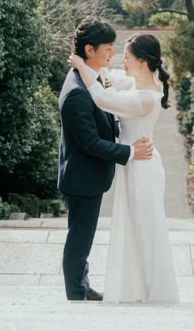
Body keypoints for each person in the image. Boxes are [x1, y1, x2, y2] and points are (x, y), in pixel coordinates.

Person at [68, 33, 180, 304]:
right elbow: (108, 77)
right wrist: (95, 64)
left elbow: (102, 98)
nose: (122, 61)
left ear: (141, 61)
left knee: (147, 229)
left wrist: (81, 65)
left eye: (127, 57)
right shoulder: (136, 82)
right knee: (133, 227)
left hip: (142, 169)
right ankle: (137, 289)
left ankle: (159, 292)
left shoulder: (146, 97)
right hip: (134, 164)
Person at [57, 17, 154, 301]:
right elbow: (89, 143)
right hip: (81, 176)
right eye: (108, 48)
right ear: (90, 50)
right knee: (79, 240)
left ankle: (82, 285)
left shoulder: (88, 76)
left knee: (82, 236)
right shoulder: (76, 92)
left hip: (86, 175)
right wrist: (130, 152)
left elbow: (107, 100)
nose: (113, 53)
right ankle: (76, 295)